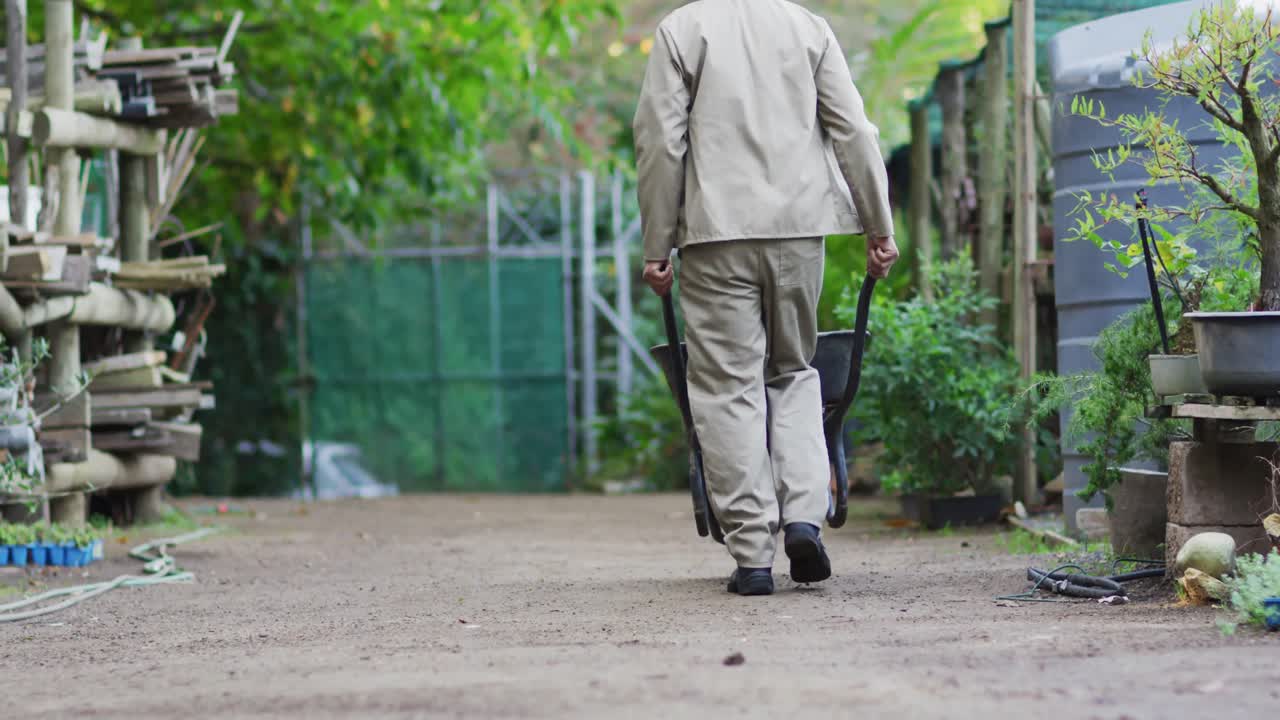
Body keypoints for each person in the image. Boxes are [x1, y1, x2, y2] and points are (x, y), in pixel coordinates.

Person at [633, 0, 898, 596]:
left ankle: (753, 555)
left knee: (729, 386)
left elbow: (659, 141)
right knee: (793, 372)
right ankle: (805, 516)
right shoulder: (808, 28)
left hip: (713, 235)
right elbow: (853, 128)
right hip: (800, 235)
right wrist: (879, 226)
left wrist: (657, 244)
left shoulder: (682, 30)